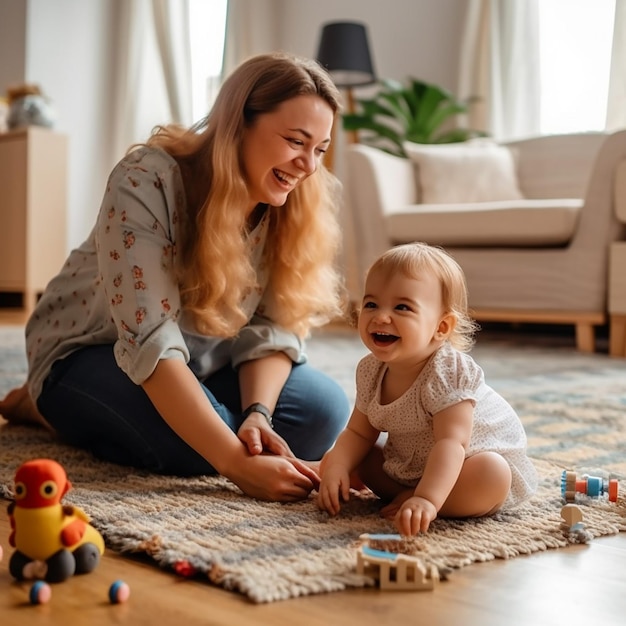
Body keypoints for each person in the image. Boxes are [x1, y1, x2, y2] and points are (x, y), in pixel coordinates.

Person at [0, 52, 351, 503]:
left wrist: (259, 414)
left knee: (323, 415)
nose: (308, 166)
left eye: (319, 150)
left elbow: (273, 326)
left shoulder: (291, 204)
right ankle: (42, 405)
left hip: (205, 359)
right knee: (199, 445)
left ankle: (212, 415)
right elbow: (151, 341)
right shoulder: (147, 179)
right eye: (296, 141)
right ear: (237, 125)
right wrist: (235, 462)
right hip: (93, 350)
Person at [317, 242, 537, 535]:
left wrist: (427, 498)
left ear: (441, 328)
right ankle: (407, 494)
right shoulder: (370, 370)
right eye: (371, 304)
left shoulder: (447, 372)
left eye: (402, 307)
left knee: (492, 473)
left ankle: (430, 501)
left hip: (467, 465)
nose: (381, 317)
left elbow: (452, 444)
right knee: (354, 456)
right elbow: (358, 432)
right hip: (411, 464)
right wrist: (336, 467)